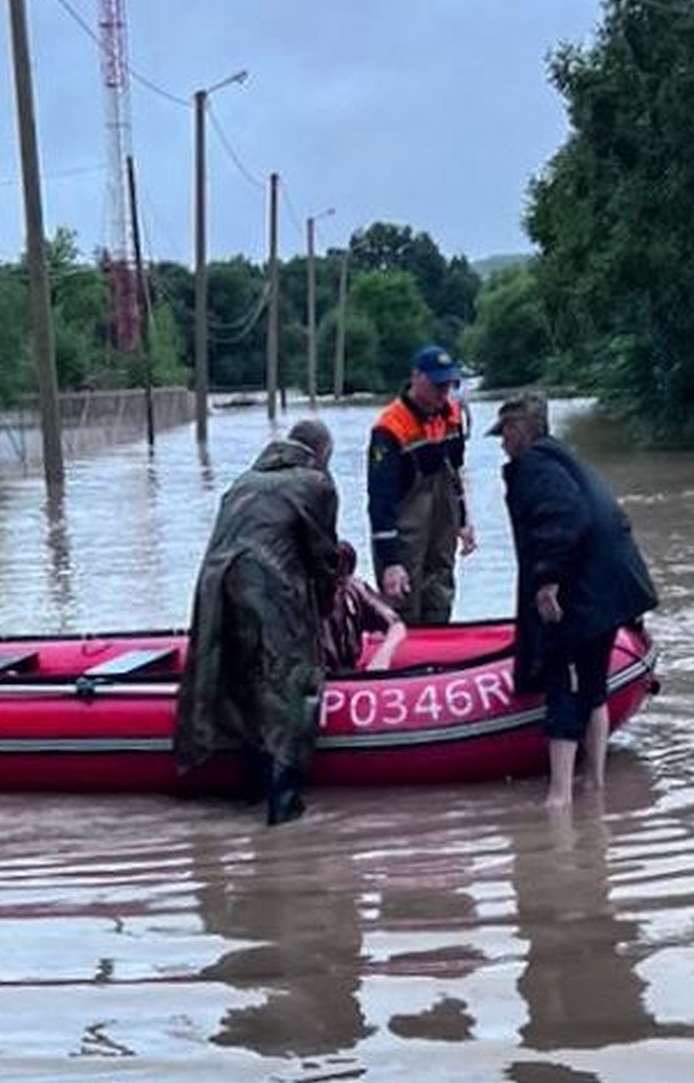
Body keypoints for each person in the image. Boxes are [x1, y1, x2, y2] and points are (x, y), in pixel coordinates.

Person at [488, 394, 658, 811]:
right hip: (608, 592)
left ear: (519, 429)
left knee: (564, 687)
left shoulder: (535, 466)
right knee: (595, 689)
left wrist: (547, 582)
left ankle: (558, 799)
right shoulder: (565, 459)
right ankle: (594, 786)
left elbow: (566, 519)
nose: (502, 444)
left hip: (578, 595)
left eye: (505, 434)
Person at [175, 419, 340, 826]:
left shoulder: (244, 481)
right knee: (292, 683)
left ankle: (250, 784)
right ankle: (283, 802)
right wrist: (323, 611)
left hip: (215, 587)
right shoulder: (316, 484)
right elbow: (323, 555)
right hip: (268, 584)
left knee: (241, 678)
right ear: (322, 454)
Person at [367, 343, 476, 624]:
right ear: (416, 378)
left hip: (443, 524)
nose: (443, 392)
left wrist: (464, 520)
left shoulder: (452, 414)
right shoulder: (390, 428)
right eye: (437, 384)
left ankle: (438, 647)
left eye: (448, 384)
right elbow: (380, 501)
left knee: (440, 591)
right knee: (403, 599)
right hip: (405, 534)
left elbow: (456, 472)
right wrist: (390, 562)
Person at [319, 541, 407, 673]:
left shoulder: (354, 590)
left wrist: (382, 657)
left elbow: (397, 626)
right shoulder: (295, 599)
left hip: (348, 671)